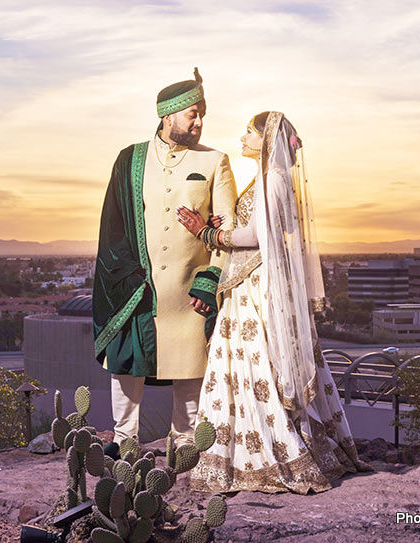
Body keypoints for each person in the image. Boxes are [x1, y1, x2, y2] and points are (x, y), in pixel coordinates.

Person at [177, 111, 372, 494]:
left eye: (249, 133)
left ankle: (268, 452)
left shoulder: (272, 179)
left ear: (266, 139)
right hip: (256, 280)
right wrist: (220, 227)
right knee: (251, 360)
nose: (242, 138)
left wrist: (207, 232)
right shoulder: (274, 179)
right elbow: (259, 228)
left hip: (255, 286)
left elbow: (255, 236)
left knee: (252, 361)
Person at [92, 69, 238, 448]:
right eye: (193, 113)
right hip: (139, 287)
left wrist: (210, 282)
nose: (200, 121)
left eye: (203, 113)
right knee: (126, 361)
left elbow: (230, 229)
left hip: (190, 289)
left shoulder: (216, 161)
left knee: (191, 366)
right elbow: (113, 227)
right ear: (168, 115)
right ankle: (124, 439)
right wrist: (125, 278)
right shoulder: (130, 160)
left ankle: (185, 445)